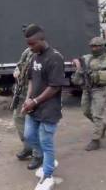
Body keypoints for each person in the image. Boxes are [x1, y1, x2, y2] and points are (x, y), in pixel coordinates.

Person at [21, 24, 67, 190]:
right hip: (34, 107)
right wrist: (27, 101)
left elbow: (54, 86)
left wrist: (34, 101)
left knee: (46, 143)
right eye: (28, 44)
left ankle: (48, 177)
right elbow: (32, 80)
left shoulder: (55, 57)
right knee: (29, 136)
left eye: (32, 43)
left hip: (49, 109)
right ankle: (50, 161)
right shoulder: (35, 57)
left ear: (42, 39)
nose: (30, 47)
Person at [71, 37, 106, 151]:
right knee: (86, 111)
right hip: (87, 88)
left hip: (100, 89)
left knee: (97, 114)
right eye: (92, 46)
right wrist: (78, 68)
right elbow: (77, 68)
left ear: (103, 46)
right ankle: (102, 126)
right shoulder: (87, 58)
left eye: (98, 46)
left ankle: (95, 139)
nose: (95, 48)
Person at [12, 45, 39, 162]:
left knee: (35, 123)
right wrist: (16, 70)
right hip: (22, 91)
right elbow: (19, 64)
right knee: (17, 118)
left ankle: (38, 153)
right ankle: (28, 147)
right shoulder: (27, 51)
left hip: (35, 94)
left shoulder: (42, 53)